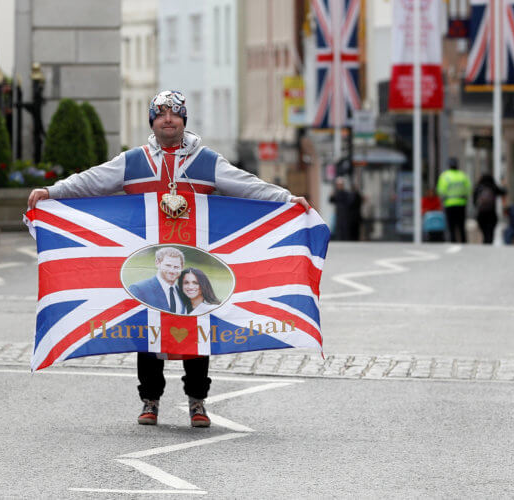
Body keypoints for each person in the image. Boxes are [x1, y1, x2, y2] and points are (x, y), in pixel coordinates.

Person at [28, 89, 310, 428]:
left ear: (183, 120)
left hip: (193, 264)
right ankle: (150, 400)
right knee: (147, 330)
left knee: (197, 328)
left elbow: (246, 185)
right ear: (152, 120)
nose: (168, 119)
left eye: (175, 114)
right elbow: (94, 180)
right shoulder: (133, 161)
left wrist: (286, 198)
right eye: (161, 114)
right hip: (147, 264)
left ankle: (197, 401)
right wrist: (53, 192)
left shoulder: (206, 161)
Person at [128, 247, 187, 314]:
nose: (172, 271)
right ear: (157, 263)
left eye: (176, 267)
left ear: (182, 268)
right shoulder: (139, 289)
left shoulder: (183, 293)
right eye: (168, 265)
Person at [436, 158, 471, 243]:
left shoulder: (445, 176)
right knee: (461, 226)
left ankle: (453, 241)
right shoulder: (462, 175)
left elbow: (440, 191)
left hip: (449, 204)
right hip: (461, 204)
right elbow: (469, 189)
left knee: (451, 226)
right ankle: (464, 242)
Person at [473, 173, 506, 244]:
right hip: (491, 213)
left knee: (485, 232)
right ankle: (489, 242)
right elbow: (504, 192)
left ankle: (486, 241)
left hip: (481, 213)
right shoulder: (493, 187)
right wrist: (503, 183)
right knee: (490, 232)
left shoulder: (478, 188)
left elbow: (474, 200)